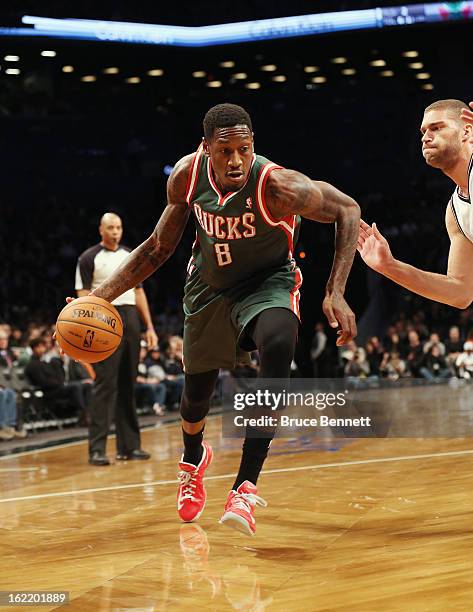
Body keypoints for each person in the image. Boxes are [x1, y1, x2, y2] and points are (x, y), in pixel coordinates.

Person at [76, 103, 360, 534]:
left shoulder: (279, 185)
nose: (236, 161)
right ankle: (193, 457)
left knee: (281, 342)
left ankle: (244, 487)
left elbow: (348, 210)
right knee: (195, 398)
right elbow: (156, 248)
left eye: (244, 150)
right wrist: (99, 299)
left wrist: (335, 290)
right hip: (208, 287)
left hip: (267, 282)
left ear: (253, 146)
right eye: (224, 151)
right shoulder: (187, 177)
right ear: (206, 148)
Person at [358, 99, 473, 309]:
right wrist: (389, 266)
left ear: (466, 132)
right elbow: (460, 292)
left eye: (437, 128)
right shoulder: (455, 211)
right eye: (423, 132)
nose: (426, 138)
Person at [75, 212, 158, 466]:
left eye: (119, 227)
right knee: (105, 384)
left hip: (130, 316)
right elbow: (83, 295)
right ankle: (97, 449)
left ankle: (129, 446)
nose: (115, 232)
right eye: (110, 227)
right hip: (103, 319)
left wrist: (150, 327)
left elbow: (139, 292)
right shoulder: (89, 257)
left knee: (128, 384)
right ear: (101, 229)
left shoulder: (130, 255)